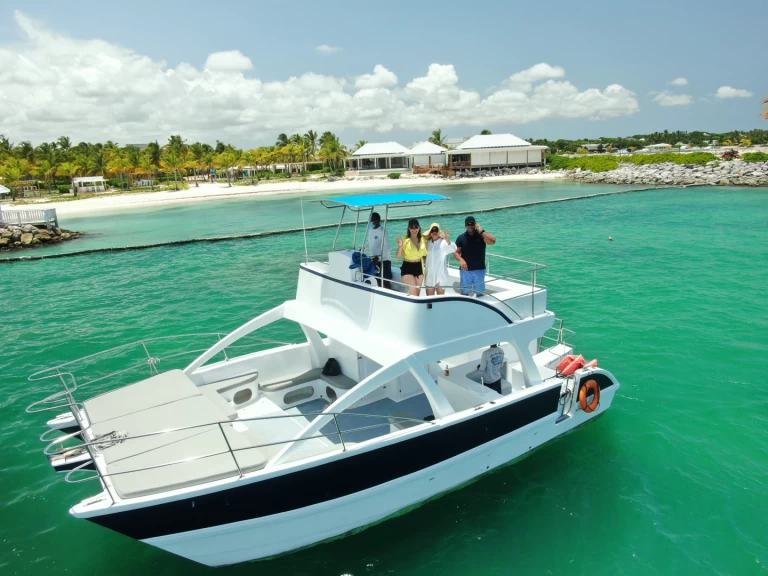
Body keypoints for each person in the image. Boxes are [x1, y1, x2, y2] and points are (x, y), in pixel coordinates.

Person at [454, 215, 496, 297]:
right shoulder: (461, 238)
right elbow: (456, 252)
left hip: (479, 269)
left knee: (480, 294)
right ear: (465, 225)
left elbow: (493, 241)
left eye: (472, 224)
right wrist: (461, 260)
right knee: (464, 293)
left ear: (475, 224)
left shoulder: (481, 236)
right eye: (468, 224)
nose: (470, 226)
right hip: (465, 271)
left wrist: (481, 230)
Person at [395, 218, 427, 296]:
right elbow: (398, 256)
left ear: (419, 227)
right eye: (411, 227)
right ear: (409, 229)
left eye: (416, 227)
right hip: (407, 267)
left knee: (417, 293)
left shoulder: (423, 239)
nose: (414, 229)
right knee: (413, 291)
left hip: (419, 267)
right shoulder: (405, 241)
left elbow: (434, 232)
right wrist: (400, 246)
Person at [424, 222, 457, 295]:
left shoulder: (443, 242)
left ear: (439, 232)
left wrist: (448, 239)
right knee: (429, 300)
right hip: (430, 275)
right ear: (430, 232)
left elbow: (453, 248)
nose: (434, 232)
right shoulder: (428, 243)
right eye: (432, 230)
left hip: (441, 275)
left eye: (436, 230)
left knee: (440, 300)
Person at [367, 212, 392, 289]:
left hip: (384, 260)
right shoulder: (371, 230)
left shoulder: (383, 231)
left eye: (372, 220)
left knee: (385, 281)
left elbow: (388, 247)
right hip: (374, 260)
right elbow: (370, 242)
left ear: (377, 221)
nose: (371, 222)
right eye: (370, 220)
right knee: (377, 281)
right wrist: (363, 248)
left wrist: (378, 257)